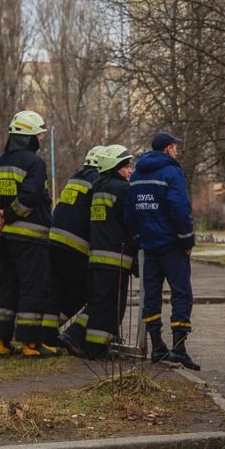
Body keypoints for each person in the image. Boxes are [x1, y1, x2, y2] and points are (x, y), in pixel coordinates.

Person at [0, 110, 62, 358]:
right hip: (31, 240)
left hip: (6, 240)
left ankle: (1, 343)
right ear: (29, 137)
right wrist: (7, 214)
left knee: (8, 288)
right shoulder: (34, 163)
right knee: (32, 289)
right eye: (38, 135)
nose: (40, 139)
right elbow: (29, 199)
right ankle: (30, 344)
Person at [125, 132, 200, 370]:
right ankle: (178, 348)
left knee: (151, 296)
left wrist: (139, 238)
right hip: (172, 246)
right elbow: (179, 208)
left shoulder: (137, 175)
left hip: (149, 247)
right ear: (168, 149)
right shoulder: (172, 172)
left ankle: (157, 346)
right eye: (175, 147)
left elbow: (130, 212)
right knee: (181, 293)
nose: (176, 151)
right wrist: (187, 241)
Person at [63, 145, 137, 359]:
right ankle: (94, 348)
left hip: (97, 257)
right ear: (114, 167)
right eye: (126, 166)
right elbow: (131, 222)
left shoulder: (97, 187)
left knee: (99, 303)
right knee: (110, 307)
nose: (130, 170)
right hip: (116, 258)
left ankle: (76, 336)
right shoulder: (123, 189)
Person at [49, 145, 104, 321]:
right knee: (84, 290)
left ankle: (45, 329)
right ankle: (60, 328)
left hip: (54, 241)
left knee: (57, 289)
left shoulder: (76, 177)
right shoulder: (98, 181)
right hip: (75, 246)